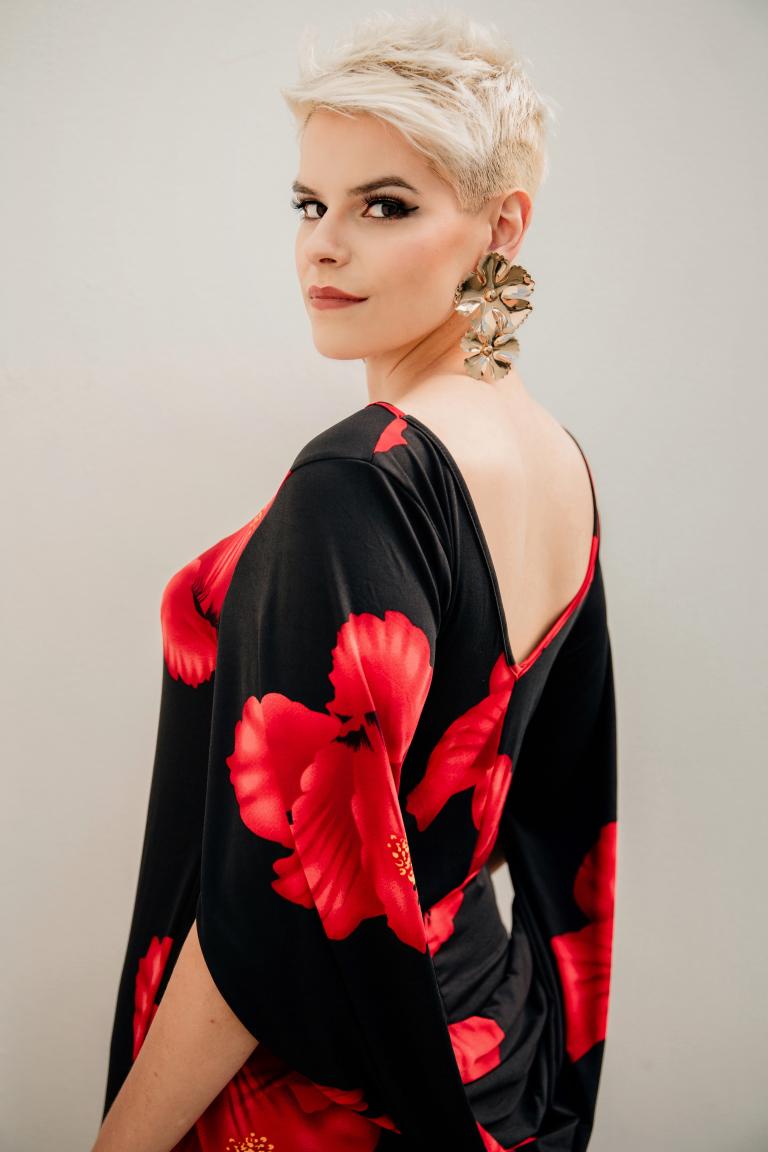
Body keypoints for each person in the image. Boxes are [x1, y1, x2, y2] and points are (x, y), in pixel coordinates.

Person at [94, 10, 617, 1152]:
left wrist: (121, 1143)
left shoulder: (362, 478)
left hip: (324, 1095)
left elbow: (270, 916)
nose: (322, 247)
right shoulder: (557, 459)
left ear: (501, 225)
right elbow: (528, 805)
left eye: (383, 206)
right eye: (309, 204)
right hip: (489, 1045)